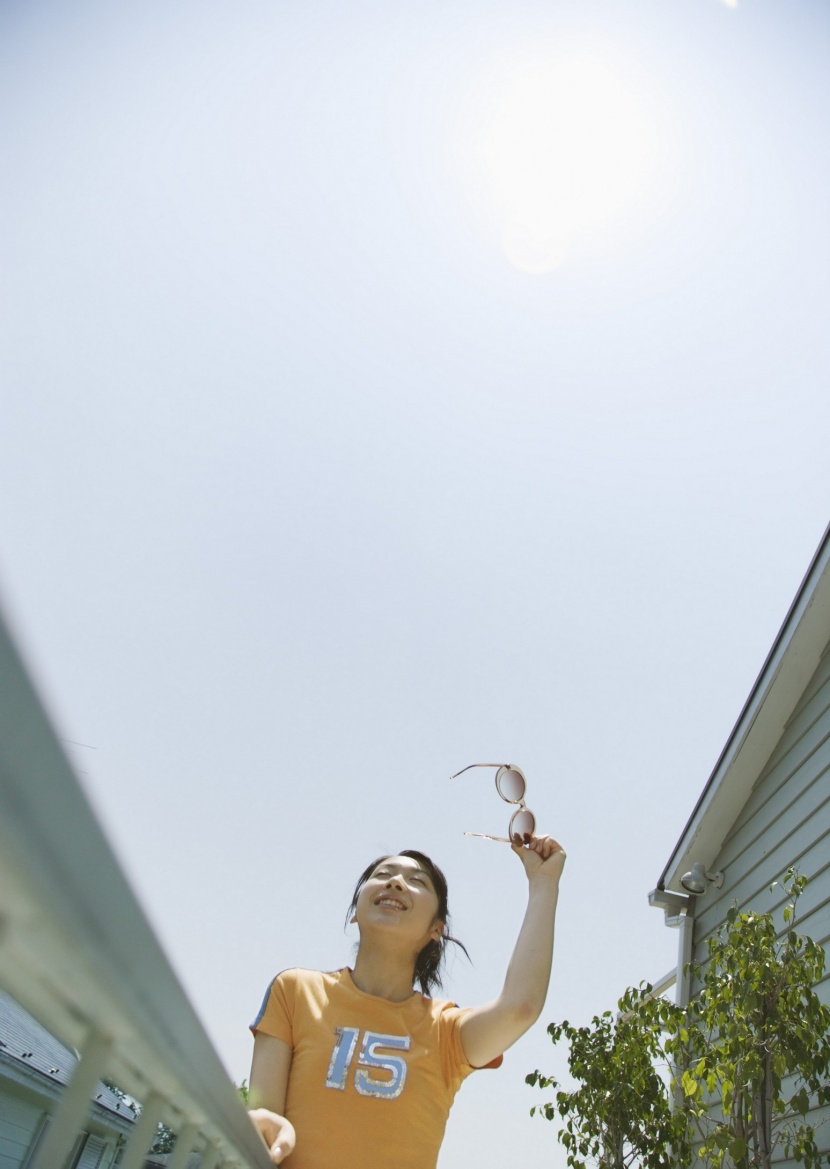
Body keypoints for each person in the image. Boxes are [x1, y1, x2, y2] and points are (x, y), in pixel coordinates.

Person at [247, 832, 565, 1167]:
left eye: (416, 882)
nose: (395, 882)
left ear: (436, 929)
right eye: (381, 875)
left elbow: (520, 1009)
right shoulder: (295, 992)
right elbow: (263, 1125)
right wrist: (261, 1123)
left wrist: (544, 884)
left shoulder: (445, 1032)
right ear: (355, 910)